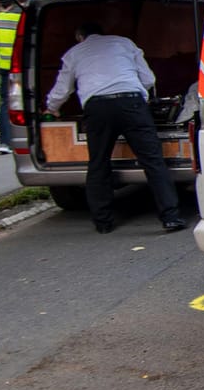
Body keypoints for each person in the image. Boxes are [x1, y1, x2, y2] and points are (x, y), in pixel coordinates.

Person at [45, 22, 185, 233]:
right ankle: (171, 217)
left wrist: (51, 108)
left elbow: (62, 89)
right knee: (153, 161)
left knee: (99, 163)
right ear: (103, 33)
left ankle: (103, 222)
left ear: (79, 36)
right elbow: (148, 79)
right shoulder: (124, 43)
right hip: (131, 104)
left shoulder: (74, 53)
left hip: (98, 108)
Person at [0, 0, 33, 153]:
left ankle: (5, 142)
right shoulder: (23, 17)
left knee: (6, 104)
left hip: (4, 67)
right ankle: (27, 137)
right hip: (23, 67)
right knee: (27, 102)